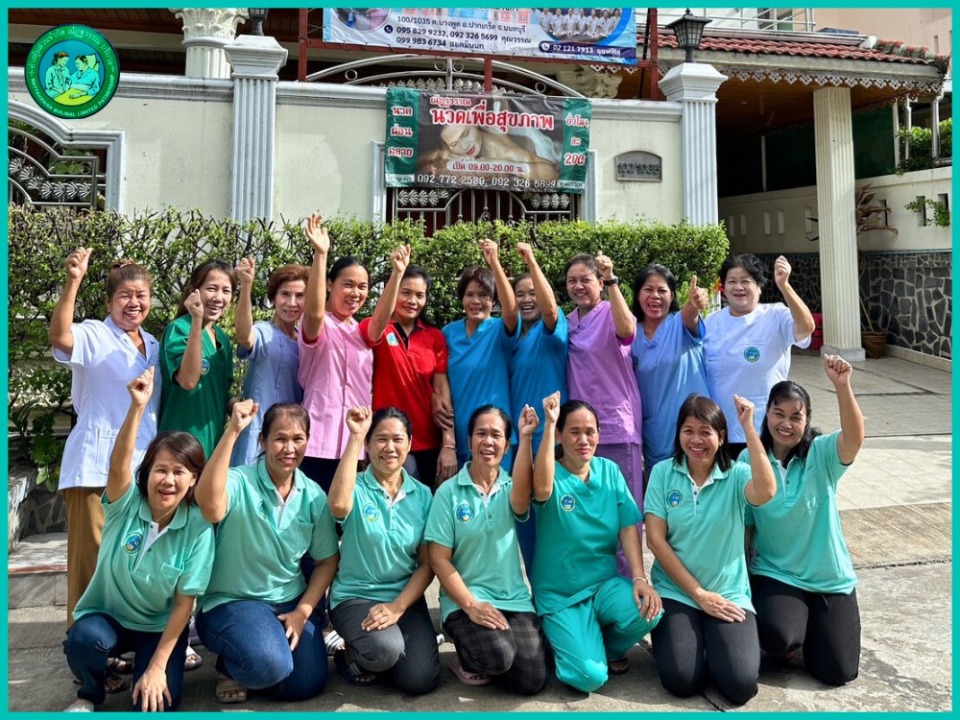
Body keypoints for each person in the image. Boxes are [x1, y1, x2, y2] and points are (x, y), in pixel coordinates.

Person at [63, 368, 214, 712]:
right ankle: (90, 693)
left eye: (179, 472)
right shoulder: (125, 504)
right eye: (161, 469)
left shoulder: (199, 528)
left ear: (193, 480)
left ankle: (156, 665)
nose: (168, 480)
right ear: (147, 473)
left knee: (156, 704)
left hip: (158, 629)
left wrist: (157, 668)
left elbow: (184, 605)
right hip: (108, 619)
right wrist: (137, 408)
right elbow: (118, 466)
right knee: (84, 640)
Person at [49, 248, 159, 694]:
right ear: (110, 300)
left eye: (142, 295)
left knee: (127, 563)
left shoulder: (152, 344)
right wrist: (73, 280)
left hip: (140, 470)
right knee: (91, 565)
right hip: (94, 469)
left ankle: (115, 647)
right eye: (125, 296)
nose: (134, 303)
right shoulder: (94, 334)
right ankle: (84, 659)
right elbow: (60, 337)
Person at [194, 401, 340, 704]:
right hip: (233, 601)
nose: (289, 448)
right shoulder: (239, 480)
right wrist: (233, 431)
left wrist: (302, 612)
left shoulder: (313, 494)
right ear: (262, 441)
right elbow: (209, 506)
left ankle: (260, 659)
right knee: (270, 665)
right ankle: (231, 665)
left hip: (289, 601)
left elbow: (327, 561)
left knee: (307, 683)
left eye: (298, 439)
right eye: (280, 439)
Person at [644, 394, 777, 705]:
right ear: (678, 434)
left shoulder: (736, 474)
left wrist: (749, 428)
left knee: (739, 686)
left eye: (705, 432)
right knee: (681, 679)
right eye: (688, 431)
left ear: (721, 437)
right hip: (677, 591)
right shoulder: (663, 473)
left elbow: (767, 491)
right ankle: (692, 643)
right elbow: (655, 541)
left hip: (727, 593)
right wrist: (699, 595)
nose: (696, 440)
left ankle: (713, 646)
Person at [526, 393, 662, 693]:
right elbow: (542, 488)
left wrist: (639, 578)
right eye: (574, 432)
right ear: (560, 436)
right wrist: (549, 423)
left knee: (650, 608)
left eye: (590, 431)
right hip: (562, 595)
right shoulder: (551, 473)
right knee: (589, 677)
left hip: (603, 586)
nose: (583, 439)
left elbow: (627, 526)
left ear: (600, 434)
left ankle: (606, 648)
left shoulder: (609, 471)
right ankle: (565, 641)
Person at [744, 355, 865, 686]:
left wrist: (842, 386)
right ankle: (795, 629)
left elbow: (854, 439)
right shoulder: (749, 460)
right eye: (779, 414)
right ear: (767, 414)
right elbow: (747, 527)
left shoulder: (821, 454)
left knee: (837, 672)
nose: (786, 423)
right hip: (777, 574)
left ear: (807, 420)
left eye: (796, 417)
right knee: (778, 636)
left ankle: (817, 629)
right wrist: (742, 586)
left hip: (829, 580)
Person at [425, 406, 548, 694]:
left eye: (496, 435)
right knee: (498, 656)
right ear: (469, 442)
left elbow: (522, 502)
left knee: (532, 680)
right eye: (481, 433)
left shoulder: (512, 487)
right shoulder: (448, 492)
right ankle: (467, 657)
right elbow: (439, 559)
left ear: (506, 446)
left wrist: (526, 436)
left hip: (512, 599)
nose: (488, 441)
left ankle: (498, 654)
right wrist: (471, 606)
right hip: (464, 600)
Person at [325, 406, 440, 693]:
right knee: (385, 650)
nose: (389, 447)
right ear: (368, 444)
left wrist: (397, 607)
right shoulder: (354, 487)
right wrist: (355, 436)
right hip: (355, 596)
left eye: (398, 439)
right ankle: (350, 655)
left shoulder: (423, 495)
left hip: (404, 598)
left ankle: (382, 655)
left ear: (410, 444)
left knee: (420, 680)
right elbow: (337, 505)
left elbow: (427, 564)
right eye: (380, 439)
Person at [298, 213, 401, 492]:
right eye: (348, 284)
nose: (356, 292)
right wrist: (321, 254)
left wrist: (396, 274)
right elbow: (314, 311)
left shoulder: (361, 331)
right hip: (317, 441)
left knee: (344, 511)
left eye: (362, 287)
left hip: (354, 441)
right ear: (330, 285)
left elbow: (380, 321)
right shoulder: (317, 324)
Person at [564, 252, 643, 576]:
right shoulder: (568, 322)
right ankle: (595, 583)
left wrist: (612, 281)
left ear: (599, 282)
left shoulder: (612, 310)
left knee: (623, 511)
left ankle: (631, 582)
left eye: (586, 279)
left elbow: (627, 331)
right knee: (589, 513)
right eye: (572, 281)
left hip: (616, 426)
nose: (578, 286)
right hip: (580, 432)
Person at [703, 253, 815, 458]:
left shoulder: (776, 316)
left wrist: (784, 286)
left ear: (759, 286)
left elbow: (806, 327)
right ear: (723, 287)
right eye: (732, 281)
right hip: (721, 431)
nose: (738, 287)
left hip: (767, 431)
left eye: (746, 281)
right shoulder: (709, 323)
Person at [360, 263, 457, 487]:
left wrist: (448, 444)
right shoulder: (376, 329)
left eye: (419, 295)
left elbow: (442, 394)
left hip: (429, 441)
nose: (412, 301)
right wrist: (397, 271)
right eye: (405, 292)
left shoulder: (434, 337)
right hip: (389, 441)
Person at [508, 241, 568, 571]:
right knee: (524, 519)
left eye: (533, 292)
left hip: (552, 440)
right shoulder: (510, 336)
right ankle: (536, 590)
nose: (527, 299)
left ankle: (558, 590)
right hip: (521, 441)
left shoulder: (552, 331)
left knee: (555, 518)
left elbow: (550, 311)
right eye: (520, 294)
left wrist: (531, 261)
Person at [442, 240, 518, 470]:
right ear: (462, 298)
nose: (476, 301)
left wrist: (494, 262)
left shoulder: (499, 329)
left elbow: (511, 312)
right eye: (470, 294)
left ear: (493, 301)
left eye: (484, 295)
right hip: (460, 435)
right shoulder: (448, 333)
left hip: (495, 435)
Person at [630, 264, 710, 475]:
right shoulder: (631, 332)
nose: (655, 296)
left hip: (695, 426)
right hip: (655, 434)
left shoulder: (679, 323)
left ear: (672, 295)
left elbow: (690, 315)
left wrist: (694, 302)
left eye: (662, 290)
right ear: (638, 294)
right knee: (662, 487)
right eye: (648, 289)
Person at [230, 258, 309, 467]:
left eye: (300, 296)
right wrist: (246, 286)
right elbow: (244, 336)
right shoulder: (264, 331)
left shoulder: (305, 341)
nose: (292, 302)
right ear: (273, 298)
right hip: (258, 436)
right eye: (285, 294)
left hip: (290, 438)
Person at [158, 259, 235, 459]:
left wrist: (237, 407)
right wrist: (196, 319)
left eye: (226, 291)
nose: (218, 298)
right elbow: (188, 380)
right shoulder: (179, 329)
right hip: (179, 448)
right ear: (194, 291)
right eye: (212, 289)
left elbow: (221, 394)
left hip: (212, 446)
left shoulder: (222, 339)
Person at [417, 125, 560, 182]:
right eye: (454, 144)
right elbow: (415, 162)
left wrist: (497, 164)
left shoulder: (498, 148)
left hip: (548, 150)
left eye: (466, 134)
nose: (464, 146)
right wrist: (441, 155)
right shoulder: (448, 150)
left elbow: (553, 173)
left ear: (474, 123)